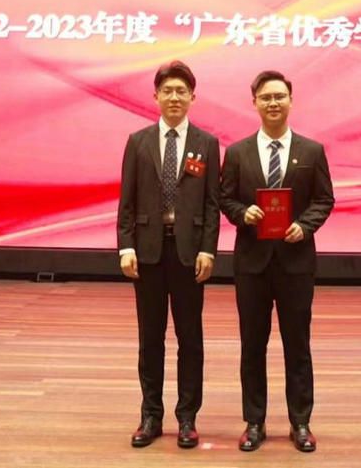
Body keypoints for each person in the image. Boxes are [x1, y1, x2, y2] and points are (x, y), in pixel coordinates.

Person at [220, 70, 335, 453]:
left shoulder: (312, 151)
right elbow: (225, 198)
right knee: (252, 345)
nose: (273, 103)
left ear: (290, 101)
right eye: (266, 97)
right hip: (252, 264)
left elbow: (324, 199)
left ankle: (300, 422)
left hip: (296, 263)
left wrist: (305, 225)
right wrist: (243, 214)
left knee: (297, 344)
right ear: (254, 103)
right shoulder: (237, 153)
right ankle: (254, 421)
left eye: (279, 96)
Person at [117, 60, 220, 449]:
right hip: (147, 253)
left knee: (190, 338)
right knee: (150, 338)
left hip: (189, 253)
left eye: (181, 91)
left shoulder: (206, 144)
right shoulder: (138, 142)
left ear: (192, 97)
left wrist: (208, 249)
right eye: (167, 91)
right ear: (156, 96)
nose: (174, 97)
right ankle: (151, 415)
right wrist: (125, 245)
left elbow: (211, 204)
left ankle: (187, 417)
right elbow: (127, 200)